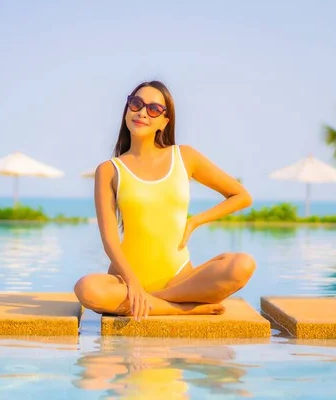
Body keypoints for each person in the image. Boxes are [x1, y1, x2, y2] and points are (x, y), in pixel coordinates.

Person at [74, 80, 255, 321]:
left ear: (164, 121)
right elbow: (109, 240)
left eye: (154, 109)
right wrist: (133, 284)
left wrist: (195, 222)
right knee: (86, 289)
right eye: (136, 104)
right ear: (127, 109)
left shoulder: (185, 156)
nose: (142, 113)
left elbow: (241, 196)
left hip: (180, 279)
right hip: (125, 282)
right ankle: (180, 307)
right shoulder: (109, 170)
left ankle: (156, 299)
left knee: (242, 265)